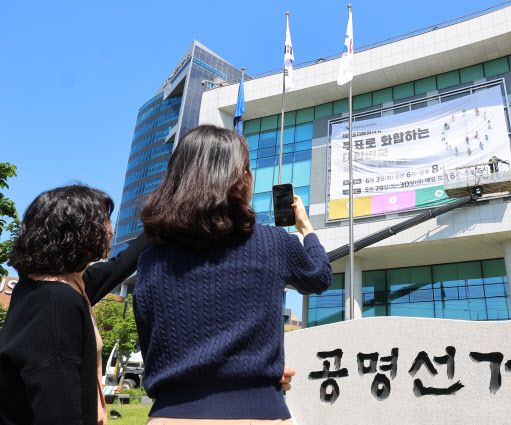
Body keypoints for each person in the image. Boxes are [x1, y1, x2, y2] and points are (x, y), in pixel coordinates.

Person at [134, 125, 332, 424]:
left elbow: (153, 343)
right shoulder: (273, 242)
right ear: (242, 180)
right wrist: (307, 229)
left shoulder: (150, 259)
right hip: (259, 412)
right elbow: (319, 276)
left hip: (169, 413)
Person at [0, 185, 148, 425]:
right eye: (105, 221)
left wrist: (154, 230)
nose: (111, 230)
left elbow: (119, 266)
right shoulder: (56, 302)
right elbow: (57, 409)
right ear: (80, 231)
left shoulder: (44, 287)